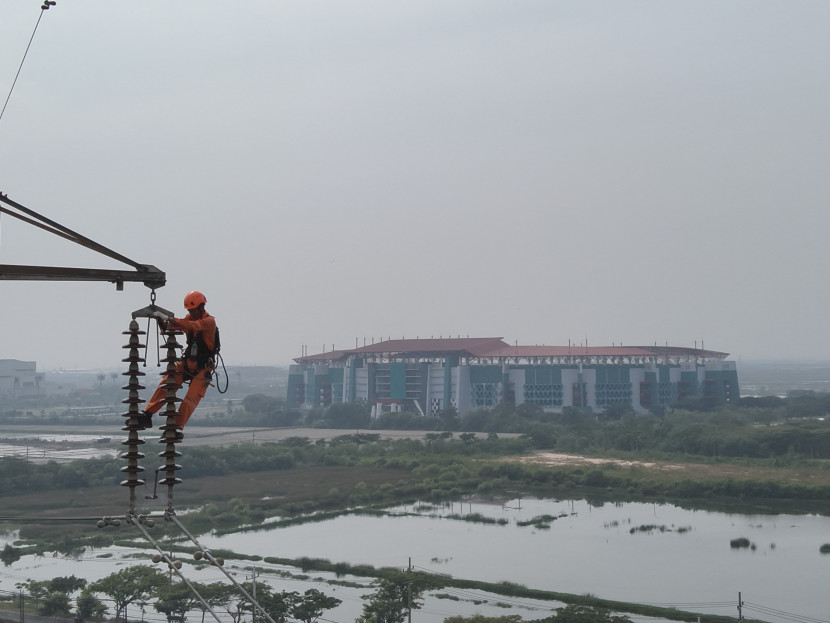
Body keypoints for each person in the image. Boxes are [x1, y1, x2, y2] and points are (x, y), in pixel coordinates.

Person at [138, 290, 218, 431]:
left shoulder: (209, 322)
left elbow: (193, 326)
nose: (191, 313)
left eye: (193, 310)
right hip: (188, 362)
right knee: (167, 382)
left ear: (201, 308)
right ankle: (147, 414)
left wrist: (169, 319)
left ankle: (176, 426)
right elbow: (177, 326)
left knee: (191, 398)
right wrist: (162, 321)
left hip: (203, 367)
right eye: (189, 311)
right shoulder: (190, 319)